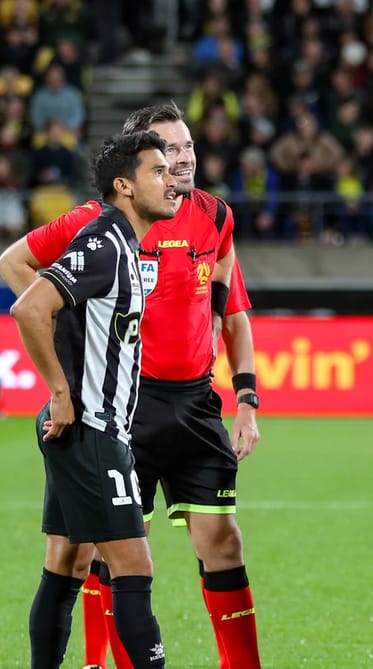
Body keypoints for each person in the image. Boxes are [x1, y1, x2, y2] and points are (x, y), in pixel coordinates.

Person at [0, 102, 262, 669]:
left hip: (190, 403)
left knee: (96, 558)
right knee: (107, 558)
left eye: (187, 148)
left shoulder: (213, 217)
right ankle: (99, 661)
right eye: (165, 155)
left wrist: (245, 396)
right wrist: (67, 378)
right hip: (115, 410)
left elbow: (229, 304)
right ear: (132, 174)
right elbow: (23, 282)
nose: (181, 161)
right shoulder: (100, 234)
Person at [13, 130, 175, 668]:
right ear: (124, 186)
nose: (170, 179)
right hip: (92, 431)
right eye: (157, 171)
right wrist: (62, 392)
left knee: (66, 564)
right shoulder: (104, 242)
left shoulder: (126, 247)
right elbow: (30, 308)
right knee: (134, 567)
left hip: (85, 431)